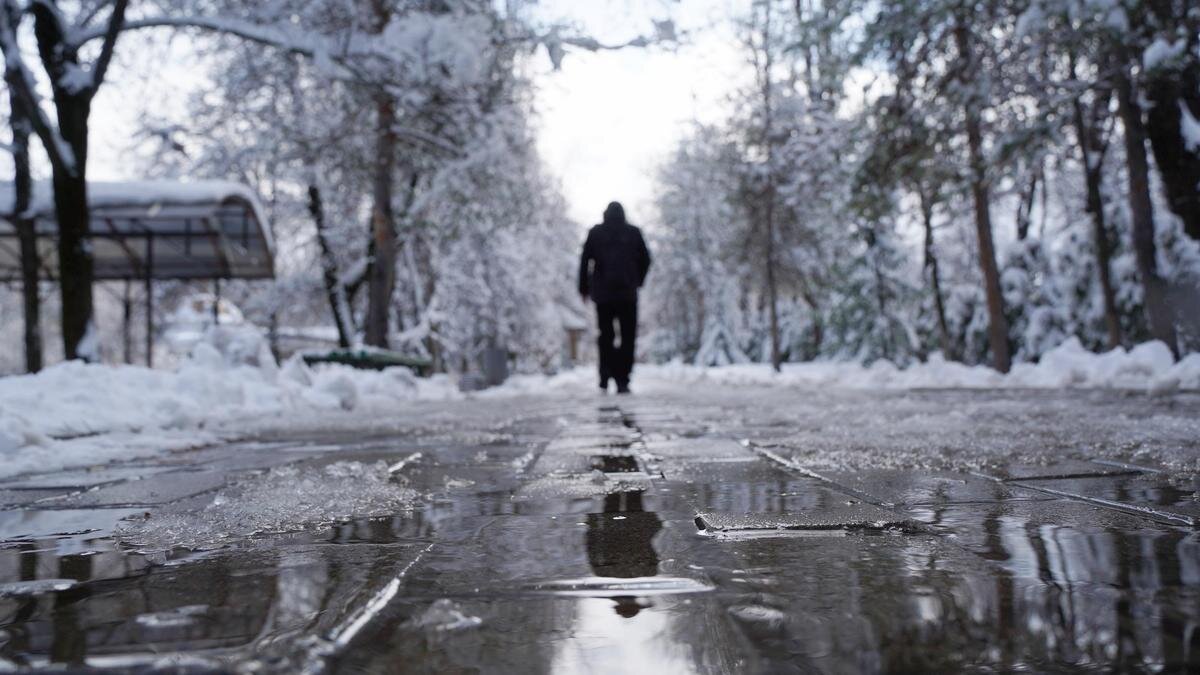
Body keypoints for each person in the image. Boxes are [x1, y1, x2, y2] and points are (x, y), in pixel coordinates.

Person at [578, 202, 651, 394]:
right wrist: (638, 280)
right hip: (627, 293)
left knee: (606, 336)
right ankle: (622, 378)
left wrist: (584, 288)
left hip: (603, 295)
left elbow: (585, 261)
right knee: (628, 337)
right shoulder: (633, 232)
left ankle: (605, 374)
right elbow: (646, 259)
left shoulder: (596, 233)